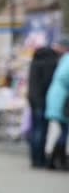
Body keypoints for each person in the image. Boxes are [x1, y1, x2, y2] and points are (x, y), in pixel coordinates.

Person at [27, 45, 59, 168]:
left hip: (33, 100)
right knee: (41, 130)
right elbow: (47, 82)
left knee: (35, 129)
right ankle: (40, 159)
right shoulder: (48, 64)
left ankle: (34, 157)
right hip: (42, 101)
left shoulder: (34, 62)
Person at [44, 36, 69, 170]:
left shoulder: (63, 60)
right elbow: (66, 78)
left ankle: (55, 159)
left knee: (62, 130)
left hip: (58, 99)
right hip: (63, 101)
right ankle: (57, 159)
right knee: (64, 131)